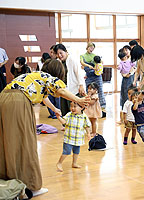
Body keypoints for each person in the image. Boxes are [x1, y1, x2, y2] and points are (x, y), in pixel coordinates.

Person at [0, 59, 90, 196]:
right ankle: (31, 186)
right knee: (26, 143)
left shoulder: (35, 76)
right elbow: (62, 91)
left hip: (3, 99)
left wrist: (55, 109)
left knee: (7, 141)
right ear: (58, 72)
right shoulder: (49, 78)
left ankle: (7, 178)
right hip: (18, 102)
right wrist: (78, 100)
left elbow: (44, 97)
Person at [56, 94, 91, 172]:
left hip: (78, 138)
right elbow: (64, 122)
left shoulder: (84, 117)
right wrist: (59, 117)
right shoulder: (69, 115)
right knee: (67, 152)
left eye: (75, 107)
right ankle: (59, 163)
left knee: (76, 151)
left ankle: (74, 163)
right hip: (68, 138)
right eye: (71, 106)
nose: (72, 108)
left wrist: (88, 133)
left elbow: (86, 126)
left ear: (82, 107)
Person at [54, 44, 86, 117]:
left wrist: (81, 85)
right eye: (57, 54)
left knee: (74, 108)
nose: (59, 55)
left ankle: (75, 125)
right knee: (64, 108)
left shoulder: (72, 59)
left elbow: (79, 72)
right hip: (63, 88)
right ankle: (66, 125)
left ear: (66, 51)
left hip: (74, 88)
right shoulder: (59, 61)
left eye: (61, 53)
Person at [80, 43, 106, 114]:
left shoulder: (95, 55)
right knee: (88, 91)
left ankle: (102, 106)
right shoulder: (82, 56)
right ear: (87, 47)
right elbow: (82, 63)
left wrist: (99, 67)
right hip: (89, 75)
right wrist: (88, 66)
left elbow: (101, 62)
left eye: (93, 48)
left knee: (100, 89)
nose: (91, 49)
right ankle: (86, 105)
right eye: (90, 47)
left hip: (97, 75)